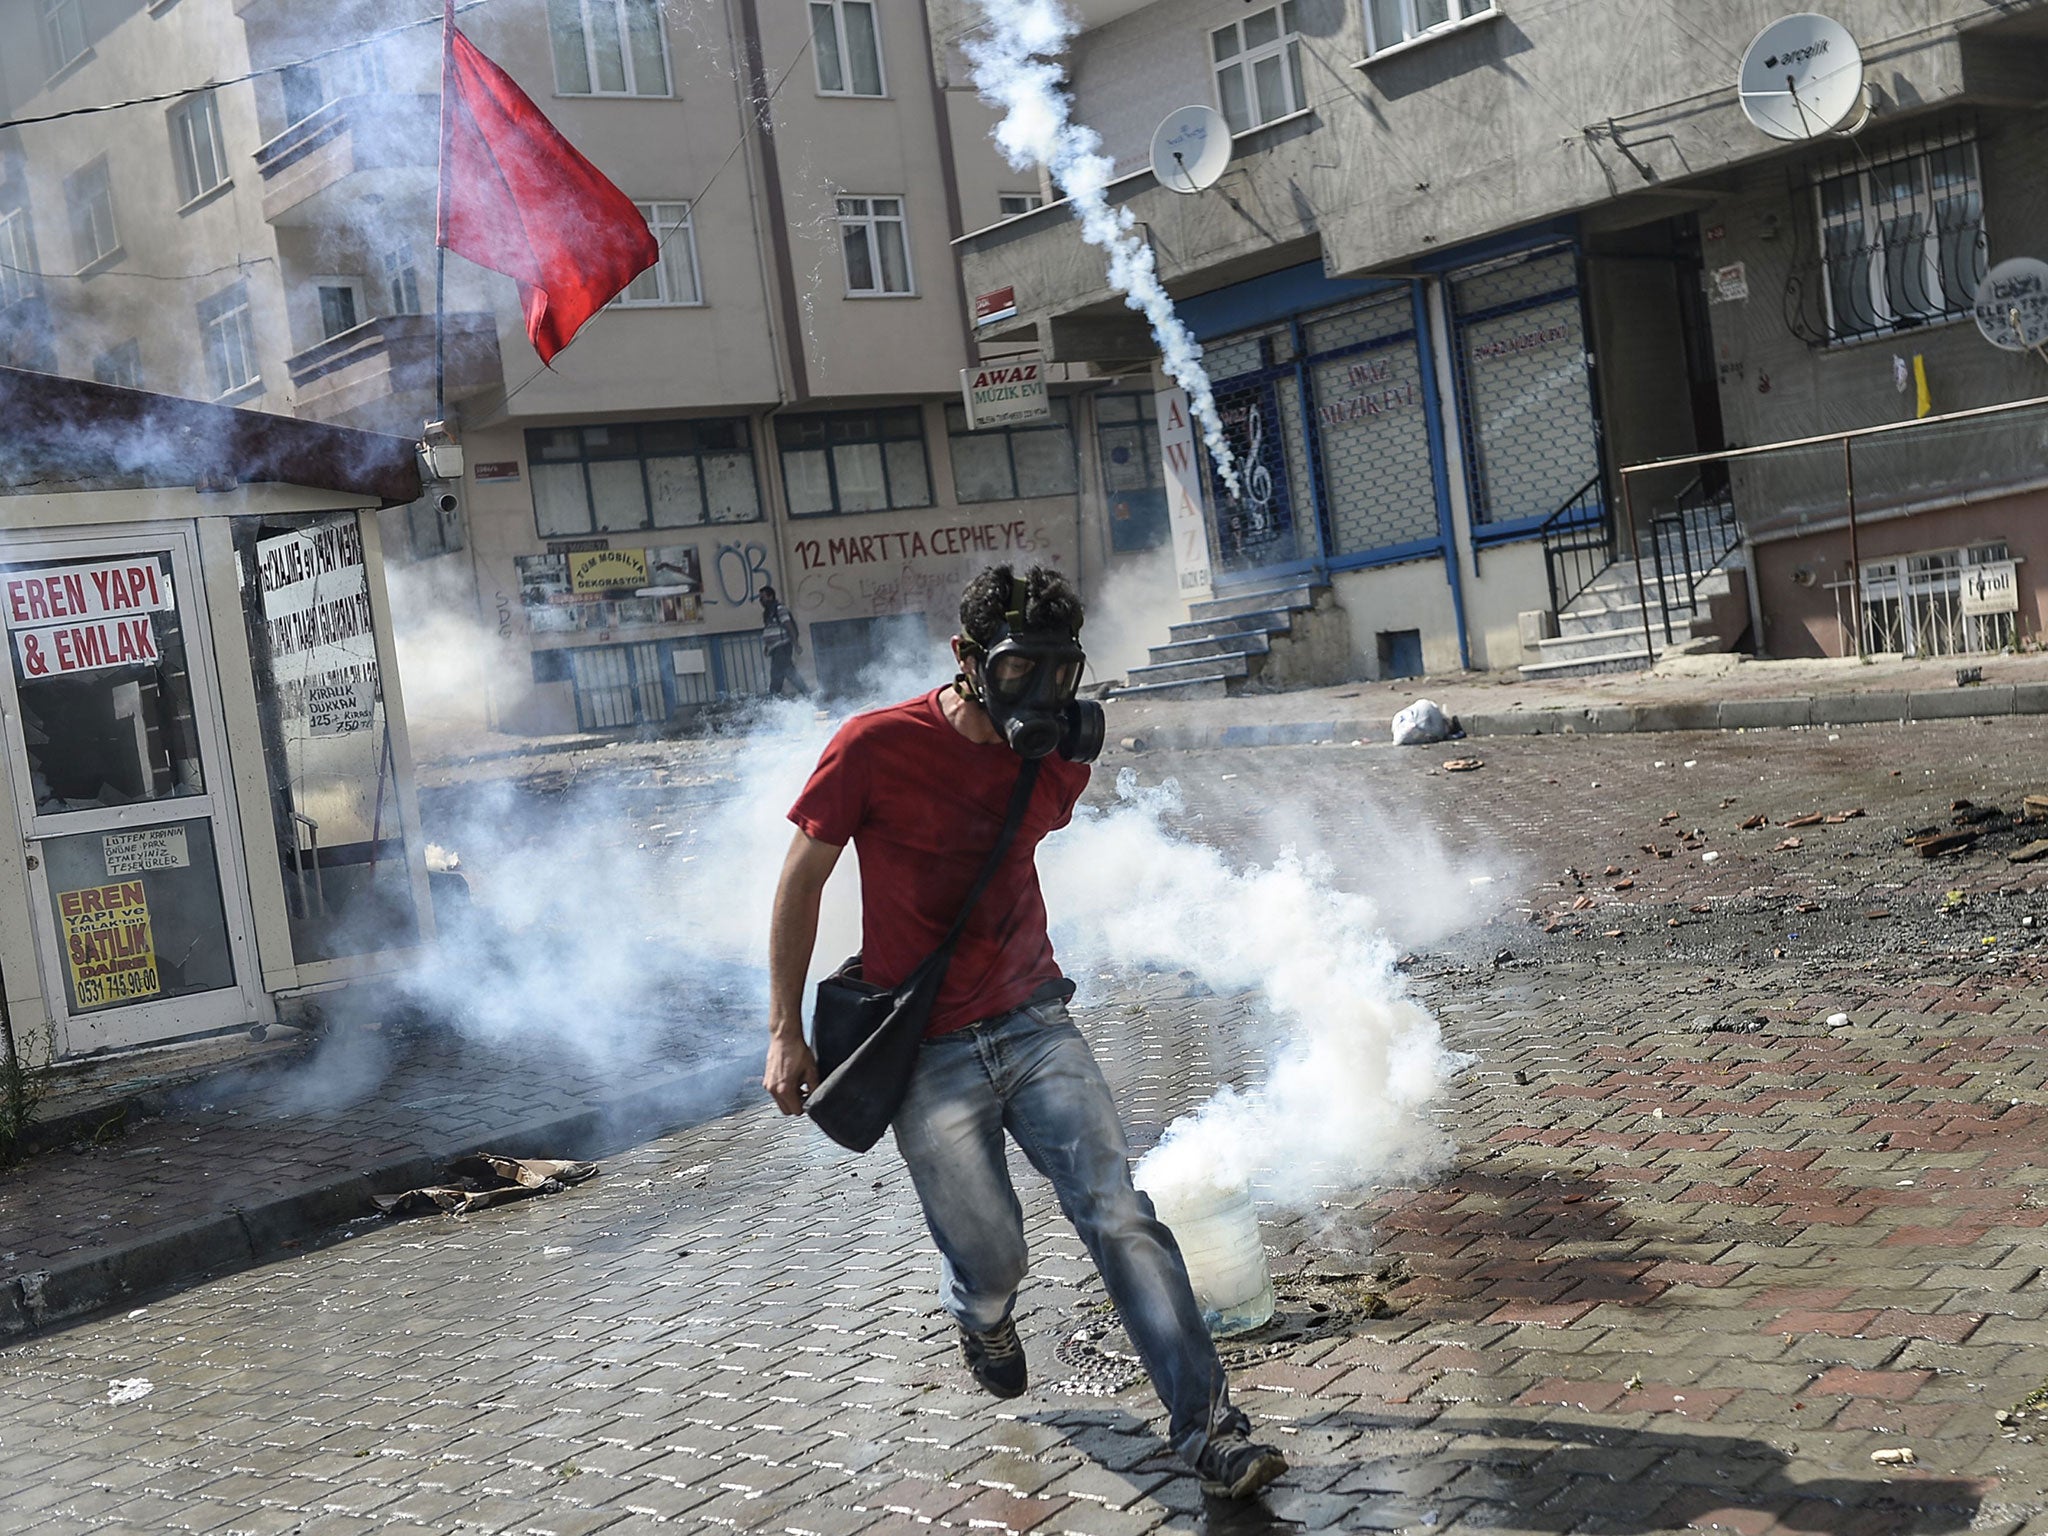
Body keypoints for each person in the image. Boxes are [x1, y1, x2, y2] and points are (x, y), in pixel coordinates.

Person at [763, 564, 1287, 1501]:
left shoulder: (1054, 760)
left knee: (1119, 1215)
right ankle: (982, 1312)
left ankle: (1210, 1429)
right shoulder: (874, 746)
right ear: (965, 659)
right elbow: (801, 881)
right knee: (996, 1256)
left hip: (1036, 1020)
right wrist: (784, 1030)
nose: (1040, 694)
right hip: (926, 1053)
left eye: (1059, 671)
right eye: (1017, 672)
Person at [759, 585, 807, 697]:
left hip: (782, 646)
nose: (761, 601)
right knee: (785, 672)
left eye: (763, 598)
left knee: (779, 672)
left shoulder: (779, 609)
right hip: (775, 648)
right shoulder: (767, 612)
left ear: (770, 597)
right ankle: (804, 693)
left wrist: (796, 644)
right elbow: (770, 629)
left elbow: (788, 626)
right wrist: (767, 646)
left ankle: (774, 697)